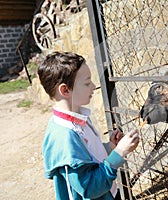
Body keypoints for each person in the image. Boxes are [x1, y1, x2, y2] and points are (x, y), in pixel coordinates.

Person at [38, 51, 140, 200]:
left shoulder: (77, 119)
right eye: (87, 83)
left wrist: (111, 147)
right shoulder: (65, 136)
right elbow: (90, 188)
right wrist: (119, 153)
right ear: (65, 90)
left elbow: (90, 156)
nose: (93, 86)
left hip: (108, 193)